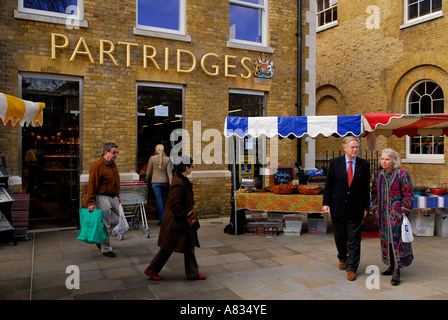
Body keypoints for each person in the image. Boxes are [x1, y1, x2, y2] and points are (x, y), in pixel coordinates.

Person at [144, 156, 206, 281]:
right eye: (192, 166)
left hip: (182, 221)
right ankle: (152, 269)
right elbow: (174, 204)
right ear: (186, 167)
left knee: (189, 246)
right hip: (177, 222)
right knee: (168, 247)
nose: (193, 168)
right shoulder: (179, 183)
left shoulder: (182, 180)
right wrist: (184, 216)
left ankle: (192, 273)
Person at [322, 136, 371, 281]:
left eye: (357, 147)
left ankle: (352, 267)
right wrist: (326, 203)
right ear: (345, 148)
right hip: (338, 206)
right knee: (340, 236)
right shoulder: (335, 163)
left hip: (355, 208)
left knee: (354, 239)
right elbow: (329, 185)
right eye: (352, 147)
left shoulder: (364, 165)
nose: (355, 150)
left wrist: (365, 207)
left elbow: (365, 189)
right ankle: (342, 257)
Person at [371, 148, 414, 286]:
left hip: (397, 215)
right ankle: (390, 265)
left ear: (394, 160)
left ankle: (397, 269)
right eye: (382, 159)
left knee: (397, 241)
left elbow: (408, 193)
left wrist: (404, 210)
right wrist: (376, 208)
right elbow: (374, 193)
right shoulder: (379, 175)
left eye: (387, 159)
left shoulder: (402, 174)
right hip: (383, 215)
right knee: (387, 240)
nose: (384, 162)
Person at [85, 142, 121, 258]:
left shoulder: (113, 165)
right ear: (106, 152)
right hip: (102, 197)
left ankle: (100, 237)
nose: (115, 155)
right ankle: (106, 248)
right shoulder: (97, 166)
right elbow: (92, 185)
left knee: (116, 219)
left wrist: (117, 194)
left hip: (113, 197)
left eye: (117, 152)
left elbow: (116, 180)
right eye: (113, 152)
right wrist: (90, 202)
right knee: (105, 223)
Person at [145, 144, 173, 225]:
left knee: (159, 200)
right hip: (165, 183)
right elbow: (169, 173)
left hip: (155, 183)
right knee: (164, 200)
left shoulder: (152, 158)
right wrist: (171, 183)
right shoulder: (167, 159)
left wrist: (146, 180)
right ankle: (163, 217)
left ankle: (162, 219)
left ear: (156, 150)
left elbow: (148, 171)